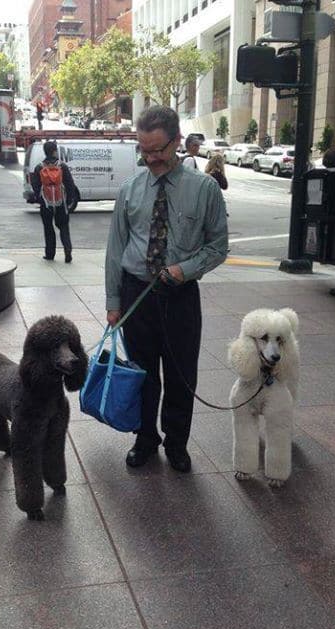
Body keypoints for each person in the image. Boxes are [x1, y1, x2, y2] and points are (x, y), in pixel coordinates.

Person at [105, 106, 228, 473]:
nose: (151, 158)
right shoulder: (130, 190)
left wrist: (184, 269)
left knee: (180, 375)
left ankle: (176, 442)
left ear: (177, 142)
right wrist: (114, 302)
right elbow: (116, 249)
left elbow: (217, 247)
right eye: (144, 149)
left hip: (179, 297)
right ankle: (145, 439)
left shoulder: (204, 189)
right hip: (135, 295)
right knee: (141, 373)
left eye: (158, 149)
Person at [31, 140, 75, 263]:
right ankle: (67, 251)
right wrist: (69, 200)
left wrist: (40, 199)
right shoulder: (62, 166)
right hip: (61, 202)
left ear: (45, 152)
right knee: (64, 227)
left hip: (46, 203)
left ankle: (50, 254)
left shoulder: (39, 167)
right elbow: (70, 184)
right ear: (55, 151)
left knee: (48, 228)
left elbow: (35, 186)